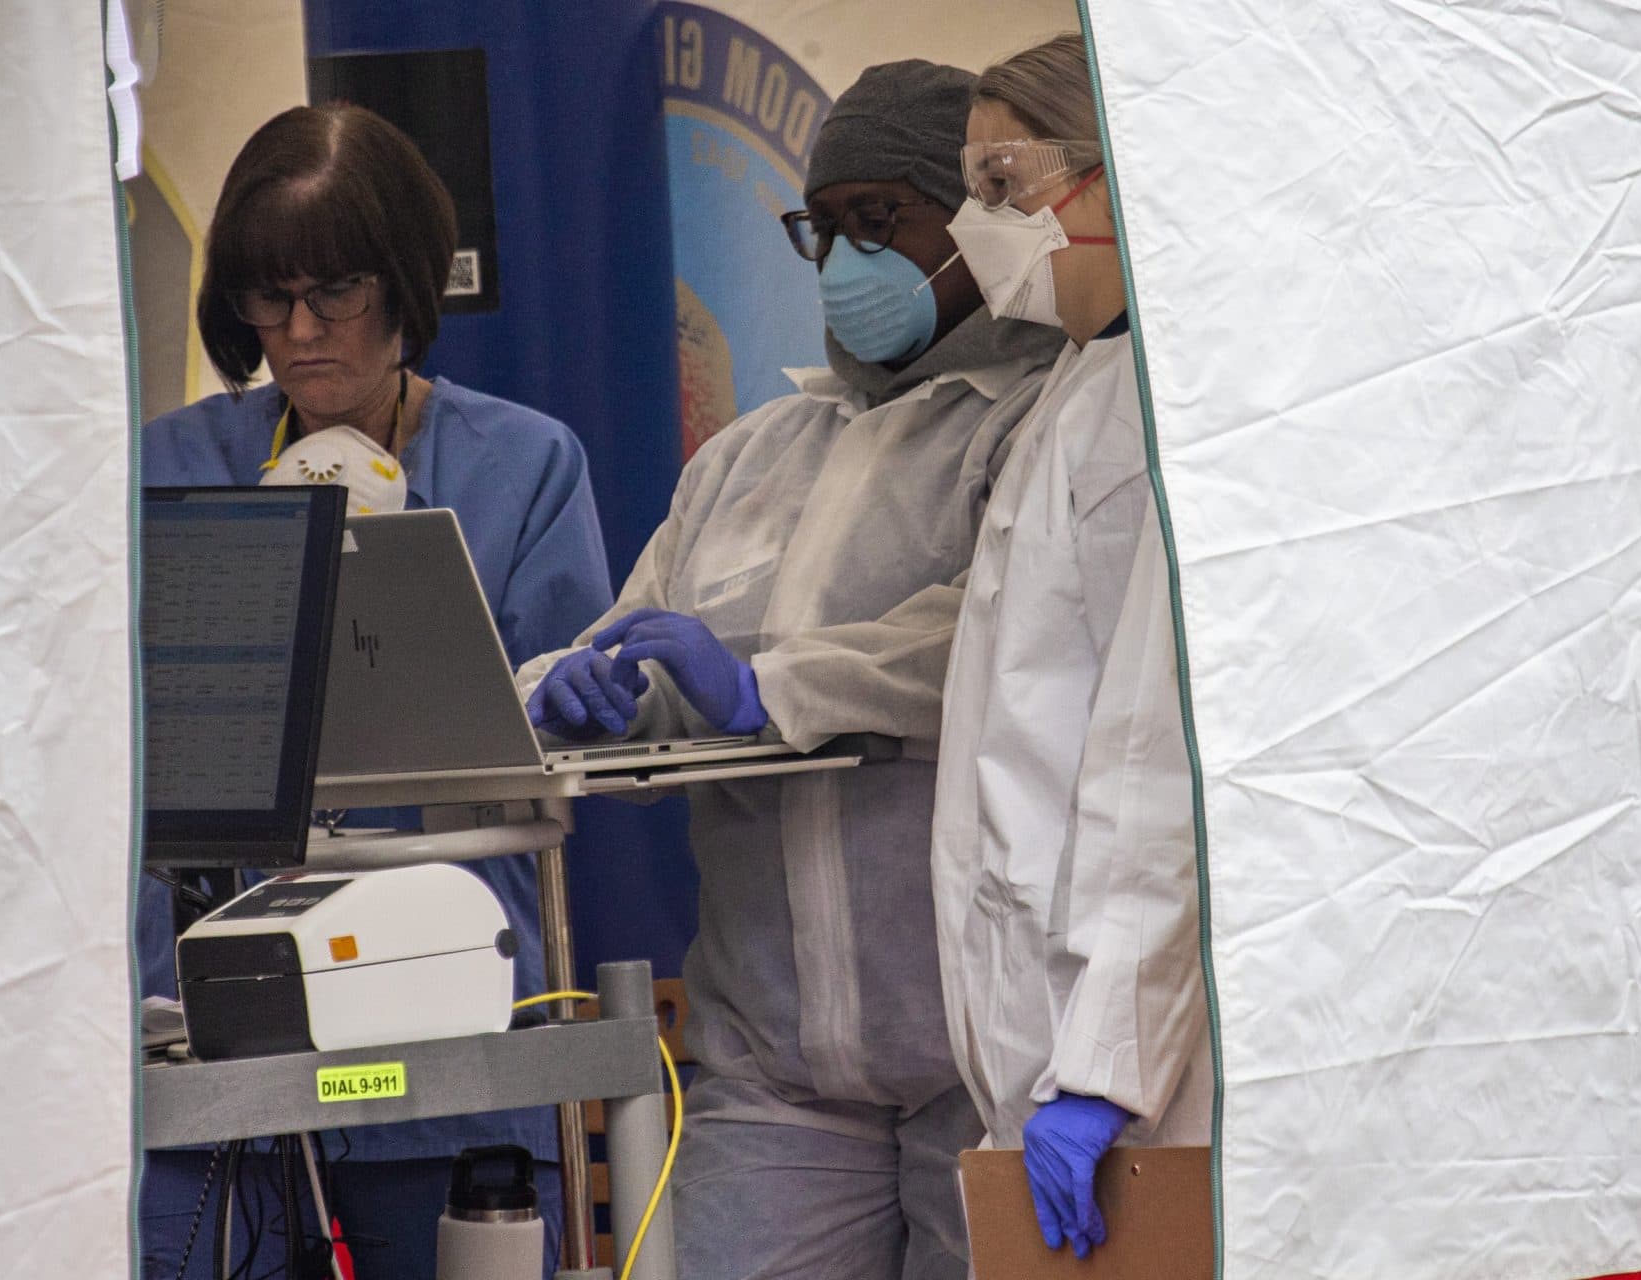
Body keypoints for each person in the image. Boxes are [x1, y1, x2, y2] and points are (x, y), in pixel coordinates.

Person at [516, 60, 1056, 1280]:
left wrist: (779, 687)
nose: (847, 260)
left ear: (970, 219)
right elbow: (645, 630)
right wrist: (569, 687)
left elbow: (1003, 637)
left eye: (883, 222)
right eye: (828, 227)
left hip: (984, 1051)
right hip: (773, 1065)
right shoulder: (754, 455)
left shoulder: (1037, 424)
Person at [136, 103, 611, 1280]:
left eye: (334, 294)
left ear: (404, 286)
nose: (298, 334)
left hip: (447, 1057)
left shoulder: (525, 465)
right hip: (208, 1057)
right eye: (265, 299)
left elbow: (555, 746)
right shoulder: (166, 467)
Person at [930, 35, 1215, 1262]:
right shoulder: (1075, 386)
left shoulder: (1173, 408)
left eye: (1007, 183)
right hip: (1042, 1039)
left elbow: (1162, 761)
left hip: (1128, 1067)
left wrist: (1106, 1060)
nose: (974, 222)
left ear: (1117, 173)